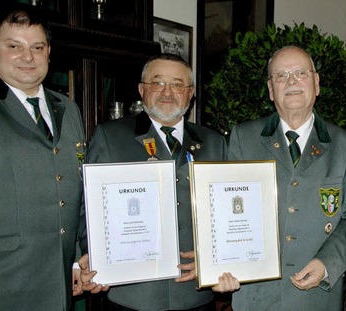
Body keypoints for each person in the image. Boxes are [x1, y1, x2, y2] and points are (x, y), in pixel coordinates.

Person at [76, 53, 239, 310]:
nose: (167, 92)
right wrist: (94, 259)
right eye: (157, 83)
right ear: (142, 89)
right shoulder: (111, 137)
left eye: (177, 84)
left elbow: (225, 215)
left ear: (190, 93)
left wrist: (216, 260)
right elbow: (87, 208)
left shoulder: (214, 142)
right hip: (133, 294)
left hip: (194, 295)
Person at [228, 45, 346, 310]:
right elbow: (227, 211)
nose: (291, 82)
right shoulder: (243, 139)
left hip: (316, 297)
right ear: (271, 90)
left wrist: (327, 263)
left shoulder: (345, 145)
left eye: (300, 73)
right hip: (256, 295)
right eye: (281, 76)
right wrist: (221, 265)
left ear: (316, 83)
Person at [0, 5, 87, 310]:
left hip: (59, 284)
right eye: (14, 46)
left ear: (48, 52)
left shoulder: (68, 108)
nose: (28, 57)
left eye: (37, 47)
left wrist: (78, 258)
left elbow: (75, 187)